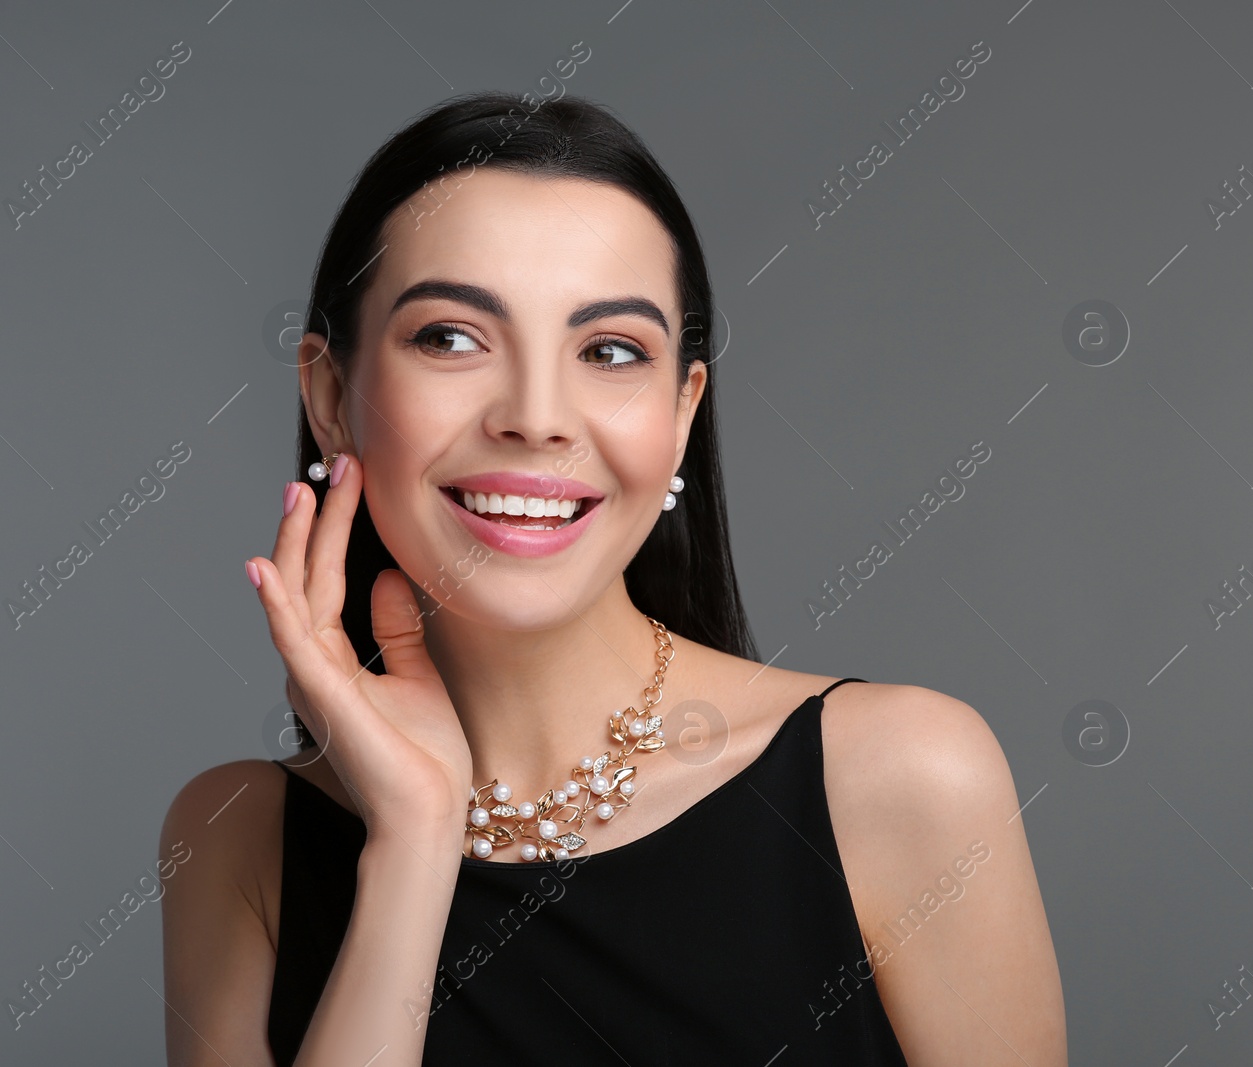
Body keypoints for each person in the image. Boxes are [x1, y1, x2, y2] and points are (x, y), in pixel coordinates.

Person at [158, 90, 1066, 1066]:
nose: (537, 416)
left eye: (610, 350)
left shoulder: (901, 776)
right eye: (452, 337)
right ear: (332, 397)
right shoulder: (239, 836)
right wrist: (415, 839)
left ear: (680, 412)